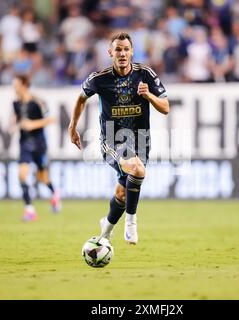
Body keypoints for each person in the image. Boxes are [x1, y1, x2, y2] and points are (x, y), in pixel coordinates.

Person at [68, 32, 170, 245]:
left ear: (132, 52)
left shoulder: (146, 74)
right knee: (138, 170)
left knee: (123, 193)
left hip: (141, 141)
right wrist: (72, 126)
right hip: (113, 139)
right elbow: (81, 98)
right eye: (118, 50)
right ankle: (131, 224)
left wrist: (148, 95)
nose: (122, 54)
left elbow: (166, 107)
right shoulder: (99, 78)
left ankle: (106, 230)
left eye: (126, 49)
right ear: (110, 53)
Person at [10, 74, 61, 221]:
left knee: (42, 177)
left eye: (16, 86)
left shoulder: (38, 102)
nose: (15, 89)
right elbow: (16, 117)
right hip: (24, 143)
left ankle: (54, 193)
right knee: (22, 173)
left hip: (39, 144)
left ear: (25, 85)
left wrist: (33, 124)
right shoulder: (16, 104)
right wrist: (13, 124)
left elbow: (51, 118)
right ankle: (29, 210)